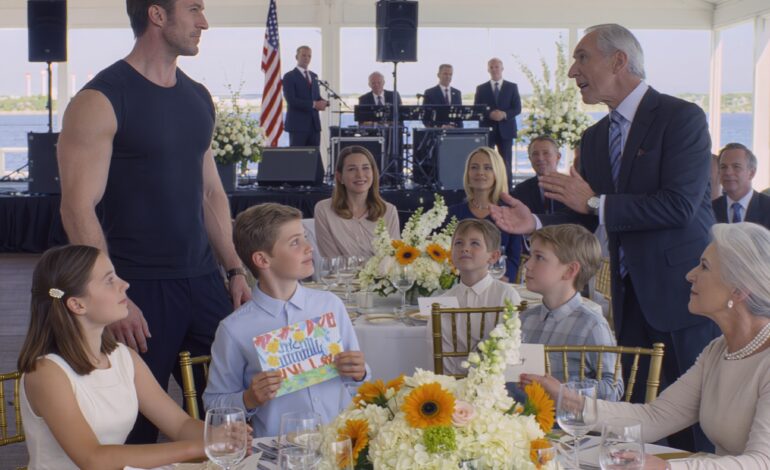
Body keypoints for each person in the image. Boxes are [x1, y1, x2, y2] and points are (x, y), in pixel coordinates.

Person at [489, 24, 719, 451]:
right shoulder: (594, 138)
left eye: (582, 57)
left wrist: (596, 202)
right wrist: (534, 222)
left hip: (682, 295)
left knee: (695, 423)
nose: (572, 71)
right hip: (627, 302)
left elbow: (679, 206)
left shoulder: (680, 118)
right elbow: (585, 215)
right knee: (637, 422)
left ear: (618, 61)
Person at [56, 0, 251, 443]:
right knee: (135, 427)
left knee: (232, 414)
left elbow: (210, 192)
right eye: (194, 10)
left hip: (204, 282)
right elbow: (77, 207)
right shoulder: (100, 99)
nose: (204, 22)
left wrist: (235, 269)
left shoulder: (197, 97)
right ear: (157, 15)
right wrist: (114, 296)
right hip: (137, 286)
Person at [524, 223, 770, 469]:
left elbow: (763, 461)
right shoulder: (718, 350)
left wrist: (667, 467)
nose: (690, 274)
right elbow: (655, 418)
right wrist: (567, 399)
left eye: (704, 266)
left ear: (738, 290)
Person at [18, 245, 211, 469]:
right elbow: (93, 459)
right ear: (77, 304)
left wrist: (224, 435)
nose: (125, 284)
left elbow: (180, 425)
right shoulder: (46, 373)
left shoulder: (123, 357)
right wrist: (199, 448)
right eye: (110, 280)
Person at [203, 203, 369, 437]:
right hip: (278, 448)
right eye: (295, 242)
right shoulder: (234, 329)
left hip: (340, 441)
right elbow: (213, 404)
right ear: (262, 260)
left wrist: (360, 372)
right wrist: (248, 398)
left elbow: (357, 383)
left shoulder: (330, 305)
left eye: (305, 237)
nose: (309, 248)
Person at [519, 224, 622, 401]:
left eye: (539, 257)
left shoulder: (592, 325)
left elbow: (613, 389)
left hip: (564, 418)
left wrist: (562, 390)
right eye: (530, 256)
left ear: (570, 271)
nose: (527, 264)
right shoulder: (524, 318)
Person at [435, 219, 520, 375]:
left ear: (493, 256)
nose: (465, 248)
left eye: (475, 243)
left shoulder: (506, 296)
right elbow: (439, 352)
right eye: (459, 243)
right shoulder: (444, 300)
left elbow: (511, 348)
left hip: (495, 381)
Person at [448, 146, 522, 281]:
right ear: (468, 174)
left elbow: (514, 257)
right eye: (474, 167)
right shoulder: (451, 214)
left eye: (488, 168)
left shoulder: (509, 214)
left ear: (497, 173)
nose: (480, 172)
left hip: (499, 283)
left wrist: (503, 278)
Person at [314, 146, 400, 258]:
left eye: (365, 168)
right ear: (340, 177)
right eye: (352, 169)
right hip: (340, 271)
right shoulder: (324, 210)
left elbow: (393, 258)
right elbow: (332, 261)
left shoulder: (389, 211)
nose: (360, 175)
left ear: (373, 173)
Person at [473, 58, 522, 186]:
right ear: (488, 69)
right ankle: (488, 187)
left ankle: (507, 190)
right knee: (486, 162)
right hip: (487, 131)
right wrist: (490, 114)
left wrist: (504, 114)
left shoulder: (512, 87)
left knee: (506, 163)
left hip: (506, 131)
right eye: (491, 67)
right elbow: (477, 109)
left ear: (502, 68)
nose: (494, 69)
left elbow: (517, 108)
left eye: (497, 67)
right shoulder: (481, 88)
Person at [712, 143, 770, 229]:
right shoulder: (711, 209)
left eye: (736, 167)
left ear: (751, 173)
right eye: (723, 167)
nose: (728, 172)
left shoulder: (767, 207)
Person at [283, 45, 328, 147]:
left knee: (314, 155)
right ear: (296, 57)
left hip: (314, 126)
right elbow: (291, 100)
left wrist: (324, 102)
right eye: (303, 55)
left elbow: (316, 96)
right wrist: (314, 104)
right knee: (297, 156)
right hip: (297, 126)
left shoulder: (314, 76)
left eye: (309, 56)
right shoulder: (289, 76)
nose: (306, 58)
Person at [511, 136, 567, 215]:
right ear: (530, 159)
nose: (540, 158)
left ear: (558, 157)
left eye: (546, 153)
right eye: (535, 154)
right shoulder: (520, 191)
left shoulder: (570, 187)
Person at [421, 64, 464, 128]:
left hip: (454, 131)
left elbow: (459, 115)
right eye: (445, 74)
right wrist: (439, 127)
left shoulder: (457, 93)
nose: (448, 76)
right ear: (438, 75)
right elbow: (425, 117)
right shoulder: (430, 93)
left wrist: (459, 129)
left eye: (450, 74)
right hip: (437, 131)